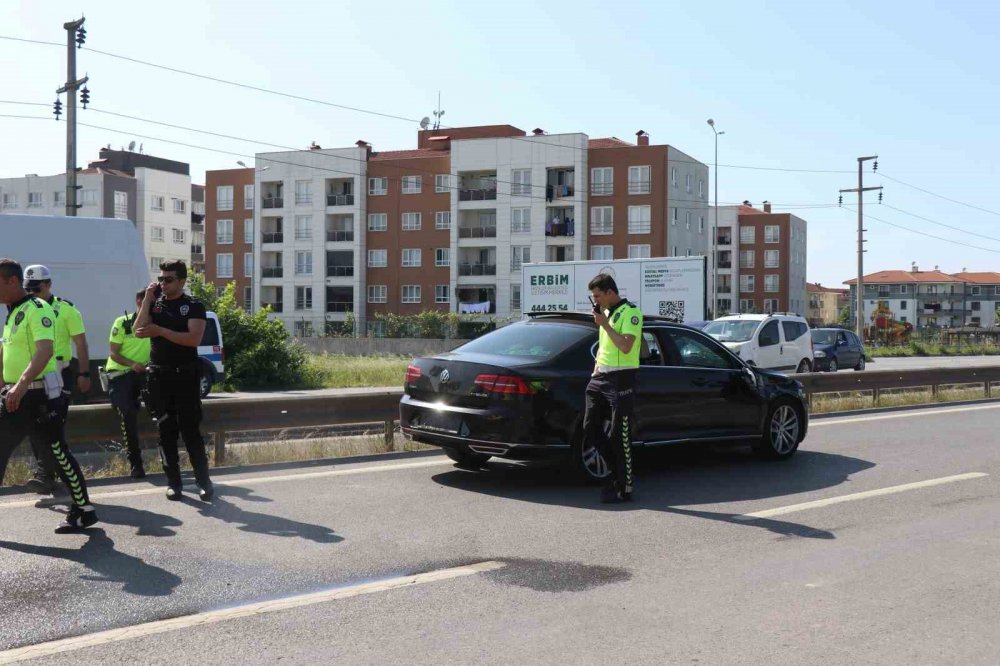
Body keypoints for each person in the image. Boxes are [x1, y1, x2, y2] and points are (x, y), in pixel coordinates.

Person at [0, 258, 98, 532]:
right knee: (49, 450)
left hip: (36, 396)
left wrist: (19, 385)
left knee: (56, 452)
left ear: (11, 281)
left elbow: (44, 350)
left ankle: (83, 509)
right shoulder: (13, 312)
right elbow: (9, 353)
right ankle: (84, 509)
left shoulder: (37, 308)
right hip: (17, 395)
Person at [134, 259, 213, 501]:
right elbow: (137, 330)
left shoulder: (193, 306)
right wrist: (147, 299)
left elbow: (193, 339)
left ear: (181, 281)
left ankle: (203, 481)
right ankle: (174, 483)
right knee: (165, 432)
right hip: (160, 376)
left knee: (190, 431)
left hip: (185, 375)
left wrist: (161, 332)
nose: (163, 284)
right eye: (161, 279)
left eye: (168, 280)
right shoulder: (155, 306)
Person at [21, 265, 91, 495]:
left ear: (49, 284)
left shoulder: (66, 309)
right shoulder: (24, 309)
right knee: (34, 428)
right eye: (28, 288)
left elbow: (80, 343)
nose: (32, 292)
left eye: (37, 288)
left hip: (59, 374)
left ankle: (46, 476)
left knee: (53, 426)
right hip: (33, 374)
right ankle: (53, 477)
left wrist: (84, 373)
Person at [583, 273, 643, 503]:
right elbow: (605, 346)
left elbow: (626, 347)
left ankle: (624, 486)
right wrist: (596, 367)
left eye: (598, 296)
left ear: (610, 292)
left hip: (622, 378)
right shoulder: (605, 314)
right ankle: (615, 474)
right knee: (591, 429)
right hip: (600, 377)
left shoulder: (631, 314)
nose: (595, 301)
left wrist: (606, 325)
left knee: (620, 433)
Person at [104, 289, 151, 478]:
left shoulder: (156, 323)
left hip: (144, 373)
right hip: (121, 373)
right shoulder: (122, 323)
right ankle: (136, 464)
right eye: (145, 302)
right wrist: (132, 364)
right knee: (128, 413)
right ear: (139, 302)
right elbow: (113, 352)